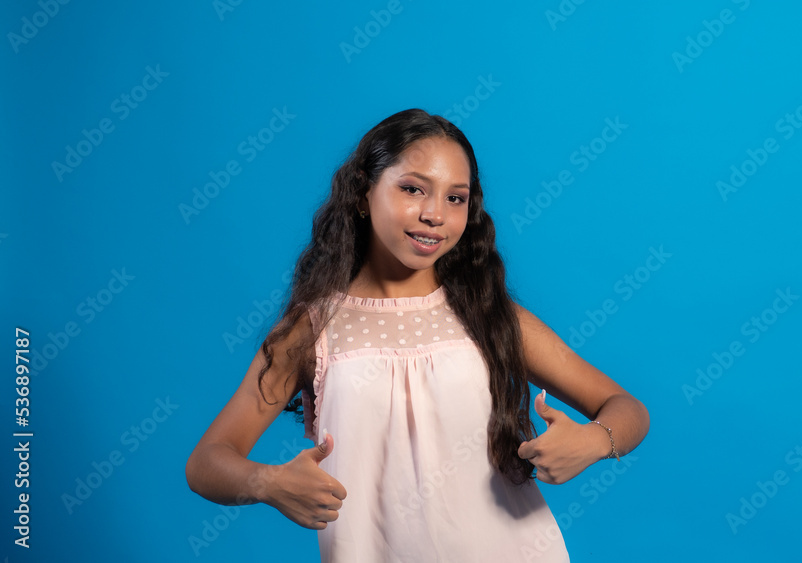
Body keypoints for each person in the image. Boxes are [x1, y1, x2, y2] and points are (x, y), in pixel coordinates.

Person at [185, 108, 650, 562]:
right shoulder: (311, 331)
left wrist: (594, 441)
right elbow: (207, 460)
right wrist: (268, 483)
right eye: (412, 189)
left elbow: (627, 408)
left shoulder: (491, 317)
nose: (434, 214)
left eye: (455, 198)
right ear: (363, 193)